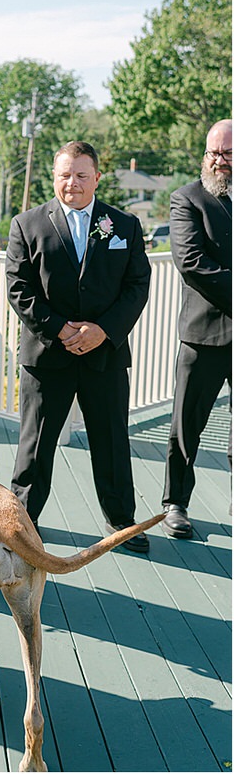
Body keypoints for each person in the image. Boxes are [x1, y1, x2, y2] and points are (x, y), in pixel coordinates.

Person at [6, 141, 152, 551]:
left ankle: (121, 520)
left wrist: (102, 331)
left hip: (104, 354)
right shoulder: (27, 224)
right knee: (36, 444)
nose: (72, 183)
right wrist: (59, 330)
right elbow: (19, 288)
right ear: (54, 177)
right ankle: (22, 521)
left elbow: (137, 285)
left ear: (97, 178)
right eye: (65, 175)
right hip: (47, 355)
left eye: (81, 175)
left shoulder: (124, 225)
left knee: (111, 441)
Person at [161, 119, 232, 538]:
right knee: (186, 426)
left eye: (227, 153)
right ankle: (176, 503)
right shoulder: (188, 198)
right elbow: (191, 262)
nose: (218, 160)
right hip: (204, 335)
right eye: (212, 152)